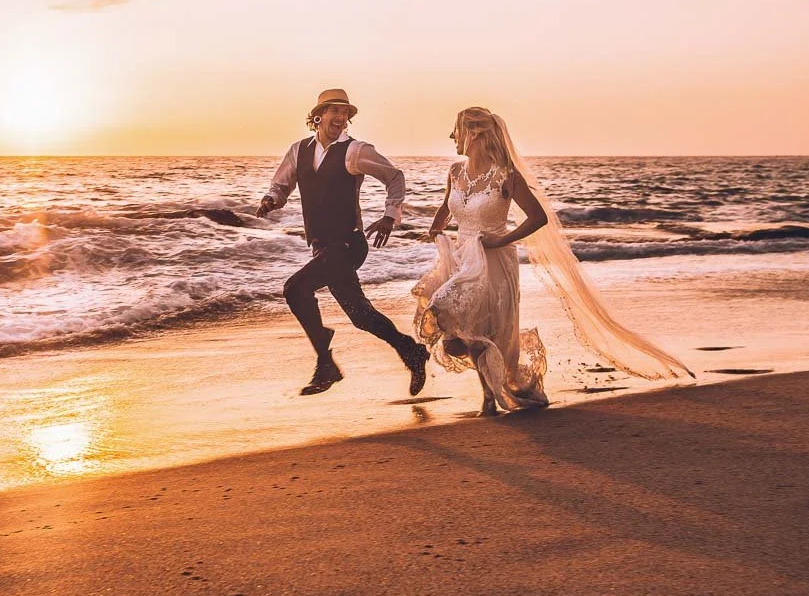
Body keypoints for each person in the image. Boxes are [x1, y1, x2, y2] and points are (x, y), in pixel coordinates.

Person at [412, 107, 693, 416]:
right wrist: (435, 229)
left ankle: (489, 399)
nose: (451, 136)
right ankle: (493, 391)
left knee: (473, 327)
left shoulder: (505, 175)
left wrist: (500, 240)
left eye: (456, 130)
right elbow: (447, 207)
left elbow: (537, 217)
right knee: (455, 334)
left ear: (474, 133)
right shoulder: (455, 172)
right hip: (462, 257)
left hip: (495, 261)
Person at [257, 88, 428, 396]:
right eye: (334, 110)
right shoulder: (299, 150)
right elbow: (281, 185)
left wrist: (389, 216)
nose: (340, 117)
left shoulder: (355, 151)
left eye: (345, 112)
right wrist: (271, 200)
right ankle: (410, 350)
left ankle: (326, 363)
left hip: (349, 245)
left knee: (295, 288)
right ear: (318, 116)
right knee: (361, 316)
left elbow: (395, 177)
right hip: (322, 247)